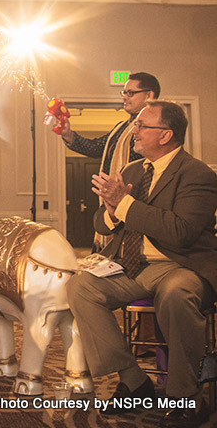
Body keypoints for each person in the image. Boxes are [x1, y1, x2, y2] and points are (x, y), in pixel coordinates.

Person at [67, 100, 217, 427]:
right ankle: (135, 381)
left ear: (166, 135)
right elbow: (102, 223)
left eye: (140, 125)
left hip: (182, 266)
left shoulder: (197, 174)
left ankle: (185, 397)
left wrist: (125, 204)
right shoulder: (133, 171)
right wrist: (110, 210)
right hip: (133, 266)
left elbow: (181, 232)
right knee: (80, 286)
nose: (133, 131)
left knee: (177, 294)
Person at [55, 72, 160, 249]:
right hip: (112, 202)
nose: (125, 97)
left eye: (130, 93)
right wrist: (68, 135)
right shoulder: (122, 127)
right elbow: (96, 148)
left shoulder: (156, 127)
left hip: (138, 203)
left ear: (149, 95)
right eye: (124, 93)